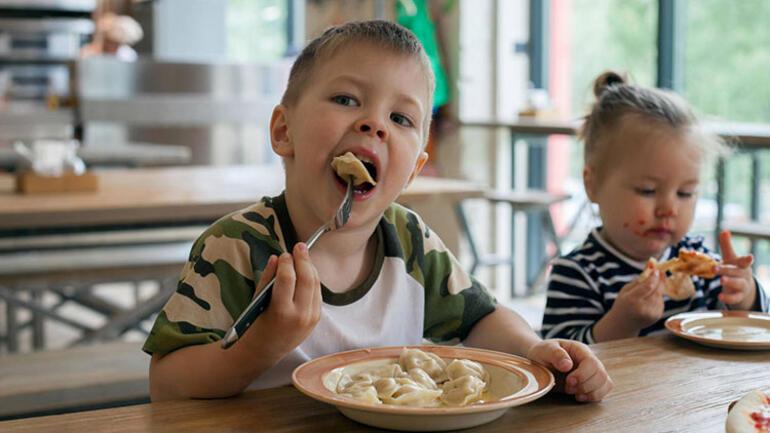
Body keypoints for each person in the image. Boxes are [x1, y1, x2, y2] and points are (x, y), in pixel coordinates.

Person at [144, 20, 612, 403]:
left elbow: (482, 319)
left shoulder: (409, 241)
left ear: (412, 172)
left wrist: (535, 348)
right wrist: (259, 347)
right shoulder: (237, 246)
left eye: (401, 118)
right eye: (347, 100)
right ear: (284, 131)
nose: (374, 124)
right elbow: (167, 384)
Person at [541, 71, 769, 343]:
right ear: (592, 185)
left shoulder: (701, 265)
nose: (669, 209)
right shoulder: (577, 275)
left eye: (685, 193)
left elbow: (748, 330)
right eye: (647, 191)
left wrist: (745, 296)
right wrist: (621, 323)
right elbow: (561, 365)